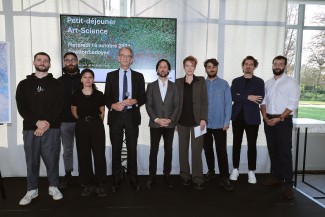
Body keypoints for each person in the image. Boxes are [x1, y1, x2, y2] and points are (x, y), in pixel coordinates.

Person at [16, 52, 64, 205]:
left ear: (49, 64)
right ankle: (32, 190)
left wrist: (46, 123)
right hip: (30, 128)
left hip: (52, 128)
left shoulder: (57, 84)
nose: (42, 63)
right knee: (31, 161)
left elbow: (59, 106)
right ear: (34, 62)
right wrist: (37, 122)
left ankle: (54, 187)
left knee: (52, 160)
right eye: (39, 60)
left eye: (45, 61)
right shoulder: (23, 84)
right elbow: (22, 108)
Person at [104, 47, 146, 192]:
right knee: (115, 149)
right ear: (118, 58)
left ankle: (133, 177)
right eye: (122, 55)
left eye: (128, 56)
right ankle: (116, 178)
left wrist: (135, 100)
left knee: (132, 149)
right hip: (115, 117)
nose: (125, 58)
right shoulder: (110, 76)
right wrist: (112, 105)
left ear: (132, 59)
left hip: (131, 117)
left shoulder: (139, 76)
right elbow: (106, 96)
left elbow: (143, 97)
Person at [261, 55, 300, 199]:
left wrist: (279, 118)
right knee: (273, 150)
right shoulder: (267, 83)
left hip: (283, 120)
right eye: (275, 64)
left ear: (285, 66)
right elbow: (263, 102)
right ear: (272, 65)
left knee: (284, 152)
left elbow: (293, 104)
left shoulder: (291, 83)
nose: (277, 66)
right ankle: (277, 177)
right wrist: (265, 117)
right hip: (269, 119)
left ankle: (289, 185)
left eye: (280, 64)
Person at [71, 69, 107, 197]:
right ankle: (88, 184)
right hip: (81, 126)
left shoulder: (99, 94)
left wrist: (94, 122)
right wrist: (83, 121)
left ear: (93, 79)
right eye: (85, 77)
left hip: (96, 126)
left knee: (99, 155)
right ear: (81, 79)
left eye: (90, 77)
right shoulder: (76, 94)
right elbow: (74, 111)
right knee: (83, 155)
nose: (87, 79)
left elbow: (102, 112)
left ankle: (99, 183)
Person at [229, 56, 264, 184]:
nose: (248, 66)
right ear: (242, 66)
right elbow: (232, 96)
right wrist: (249, 97)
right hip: (237, 117)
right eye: (246, 64)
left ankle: (251, 171)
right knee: (236, 143)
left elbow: (260, 98)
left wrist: (241, 96)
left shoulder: (259, 82)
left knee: (252, 145)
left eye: (251, 64)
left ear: (254, 67)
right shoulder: (236, 81)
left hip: (252, 118)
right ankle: (235, 169)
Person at [145, 59, 179, 189]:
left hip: (170, 124)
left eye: (165, 67)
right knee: (153, 150)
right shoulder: (151, 86)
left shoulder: (174, 86)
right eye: (160, 67)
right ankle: (151, 175)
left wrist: (170, 119)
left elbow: (177, 105)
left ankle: (167, 174)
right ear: (157, 70)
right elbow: (148, 105)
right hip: (155, 124)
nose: (163, 69)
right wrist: (157, 119)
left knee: (168, 150)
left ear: (169, 70)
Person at [176, 55, 208, 190]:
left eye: (192, 65)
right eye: (187, 65)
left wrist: (203, 119)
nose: (189, 68)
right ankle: (185, 176)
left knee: (196, 151)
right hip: (181, 121)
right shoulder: (177, 82)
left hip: (198, 122)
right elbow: (175, 102)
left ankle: (198, 177)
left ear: (195, 67)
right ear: (184, 67)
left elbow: (204, 101)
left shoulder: (201, 81)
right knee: (183, 150)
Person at [203, 58, 234, 191]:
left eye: (214, 67)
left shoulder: (224, 84)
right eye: (209, 67)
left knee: (221, 151)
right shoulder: (201, 84)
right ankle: (211, 171)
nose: (211, 69)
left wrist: (227, 122)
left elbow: (228, 105)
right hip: (204, 124)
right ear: (206, 69)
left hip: (220, 124)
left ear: (217, 68)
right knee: (207, 148)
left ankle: (224, 176)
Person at [58, 52, 82, 189]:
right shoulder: (59, 81)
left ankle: (83, 174)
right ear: (64, 63)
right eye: (67, 60)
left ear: (77, 62)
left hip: (81, 121)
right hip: (65, 121)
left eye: (73, 60)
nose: (70, 62)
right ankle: (68, 174)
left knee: (83, 149)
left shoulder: (84, 79)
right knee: (67, 150)